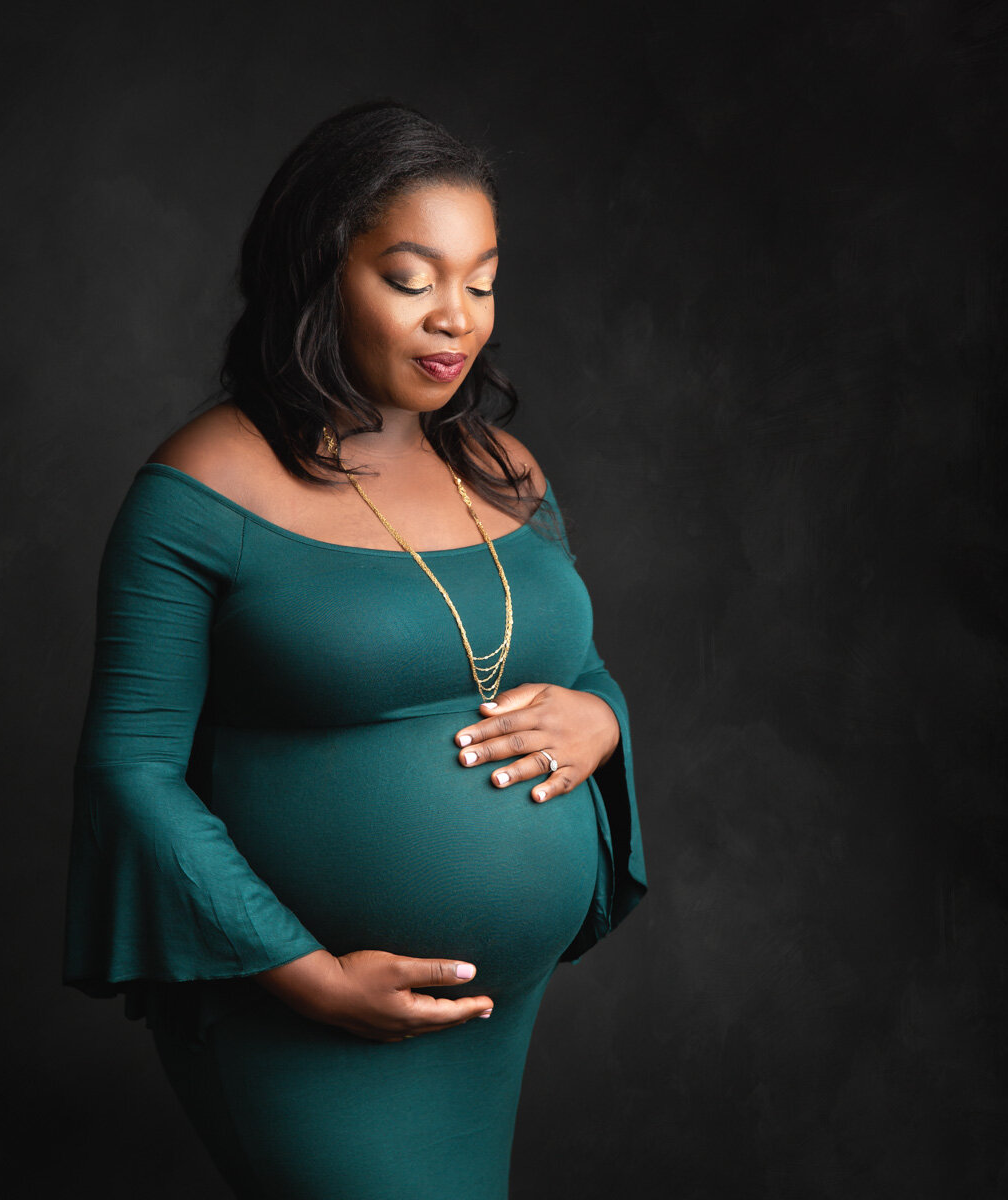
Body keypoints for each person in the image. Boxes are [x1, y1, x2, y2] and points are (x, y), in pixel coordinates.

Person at [62, 99, 647, 1199]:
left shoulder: (505, 471)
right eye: (412, 277)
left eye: (480, 281)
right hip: (300, 1002)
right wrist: (313, 980)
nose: (455, 320)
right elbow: (129, 771)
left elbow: (578, 673)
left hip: (487, 1011)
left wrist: (602, 719)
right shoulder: (205, 488)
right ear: (322, 270)